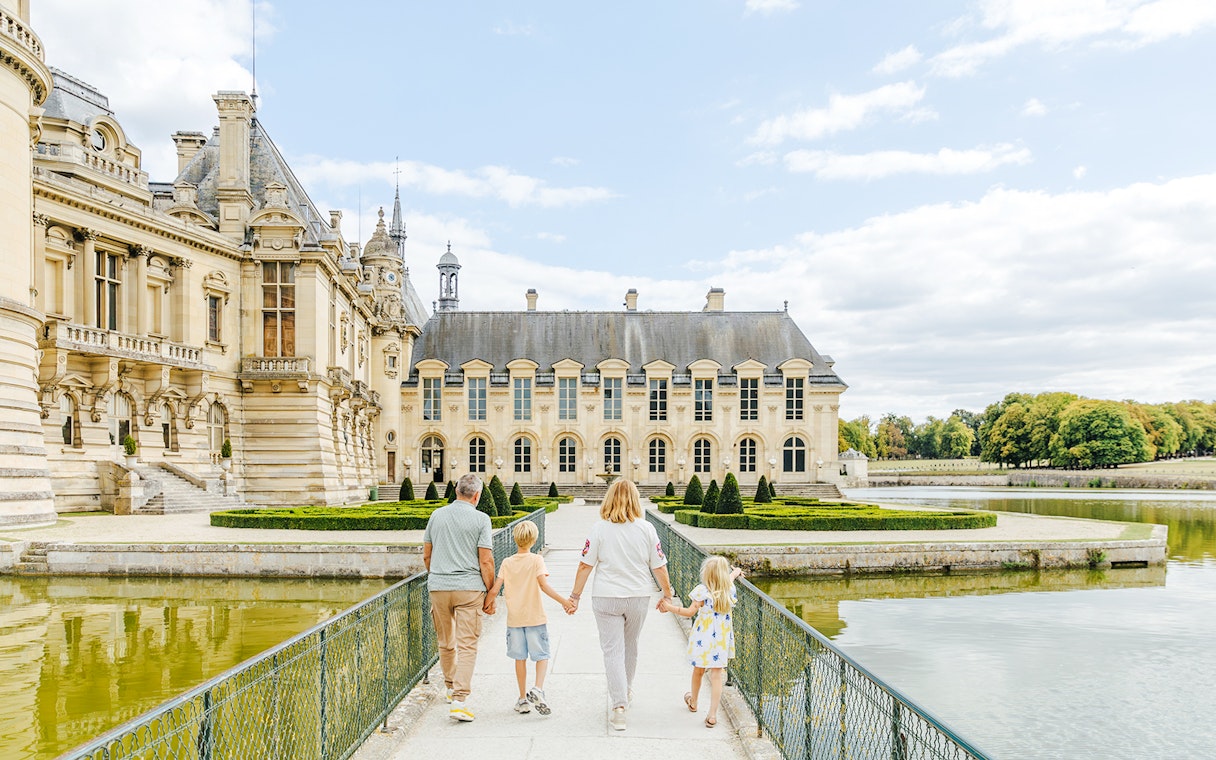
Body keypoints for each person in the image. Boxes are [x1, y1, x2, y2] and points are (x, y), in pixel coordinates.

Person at [568, 478, 675, 731]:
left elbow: (585, 565)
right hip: (638, 595)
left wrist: (575, 596)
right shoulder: (647, 528)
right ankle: (624, 691)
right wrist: (667, 594)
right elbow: (658, 566)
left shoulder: (599, 528)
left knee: (612, 651)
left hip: (606, 596)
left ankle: (619, 706)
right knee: (630, 647)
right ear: (636, 499)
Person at [423, 473, 495, 722]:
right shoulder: (481, 519)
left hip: (439, 587)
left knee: (446, 642)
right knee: (467, 646)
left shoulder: (437, 515)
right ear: (477, 496)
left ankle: (451, 687)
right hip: (468, 589)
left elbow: (427, 555)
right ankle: (460, 700)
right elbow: (485, 560)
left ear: (456, 492)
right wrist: (491, 593)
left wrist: (438, 578)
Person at [487, 520, 574, 716]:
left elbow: (495, 589)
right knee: (541, 655)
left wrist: (487, 604)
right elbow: (543, 585)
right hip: (535, 617)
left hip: (515, 619)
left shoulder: (507, 562)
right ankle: (537, 688)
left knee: (520, 659)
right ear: (534, 540)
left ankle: (522, 699)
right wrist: (564, 601)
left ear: (515, 539)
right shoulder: (536, 560)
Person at [659, 555, 742, 728]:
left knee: (698, 670)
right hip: (721, 638)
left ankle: (694, 701)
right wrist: (736, 572)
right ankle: (712, 715)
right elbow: (730, 578)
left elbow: (689, 612)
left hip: (703, 638)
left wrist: (669, 607)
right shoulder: (728, 589)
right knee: (717, 675)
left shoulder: (702, 591)